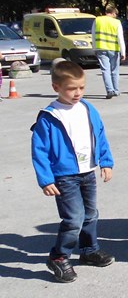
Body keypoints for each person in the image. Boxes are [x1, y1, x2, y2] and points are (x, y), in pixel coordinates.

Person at [31, 61, 115, 283]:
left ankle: (89, 250)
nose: (77, 93)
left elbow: (100, 134)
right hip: (64, 176)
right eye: (71, 88)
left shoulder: (87, 108)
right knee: (74, 218)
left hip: (87, 171)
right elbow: (39, 150)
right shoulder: (49, 116)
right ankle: (59, 256)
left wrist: (106, 162)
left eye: (81, 87)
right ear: (56, 87)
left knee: (91, 214)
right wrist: (46, 179)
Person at [92, 5, 126, 99]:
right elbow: (120, 38)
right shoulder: (116, 22)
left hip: (101, 48)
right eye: (116, 14)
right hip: (114, 49)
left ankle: (109, 90)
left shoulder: (97, 20)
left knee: (105, 70)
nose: (116, 16)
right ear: (113, 13)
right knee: (115, 70)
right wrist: (123, 52)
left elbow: (93, 35)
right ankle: (116, 90)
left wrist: (94, 48)